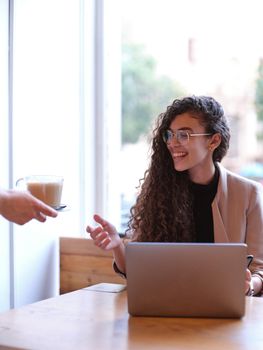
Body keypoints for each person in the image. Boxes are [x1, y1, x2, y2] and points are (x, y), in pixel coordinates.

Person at [87, 95, 263, 297]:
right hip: (167, 308)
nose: (172, 143)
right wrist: (118, 246)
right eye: (170, 135)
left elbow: (259, 270)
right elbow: (138, 272)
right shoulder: (158, 192)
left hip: (224, 311)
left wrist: (249, 285)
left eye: (184, 135)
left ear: (213, 140)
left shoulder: (248, 193)